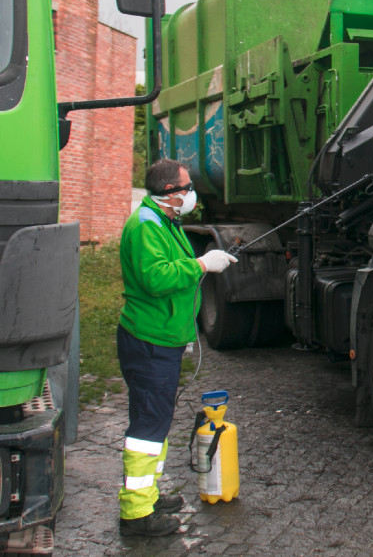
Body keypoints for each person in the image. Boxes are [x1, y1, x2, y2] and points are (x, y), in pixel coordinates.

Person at [116, 159, 237, 536]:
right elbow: (156, 278)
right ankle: (136, 515)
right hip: (150, 341)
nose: (192, 193)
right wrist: (202, 264)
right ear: (171, 193)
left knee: (155, 421)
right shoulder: (147, 226)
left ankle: (147, 496)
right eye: (187, 187)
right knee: (148, 428)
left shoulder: (164, 220)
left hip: (161, 338)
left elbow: (172, 266)